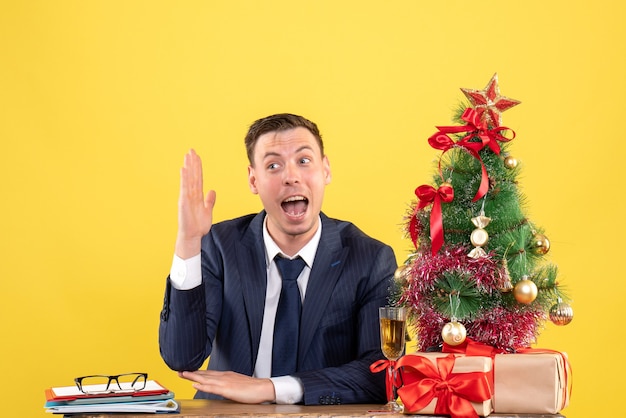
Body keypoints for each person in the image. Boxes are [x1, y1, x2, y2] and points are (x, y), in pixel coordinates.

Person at [159, 113, 397, 405]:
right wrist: (188, 241)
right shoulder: (219, 246)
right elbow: (182, 356)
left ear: (326, 170)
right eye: (273, 165)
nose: (291, 176)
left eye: (304, 161)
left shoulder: (371, 259)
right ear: (253, 180)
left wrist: (270, 388)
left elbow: (382, 373)